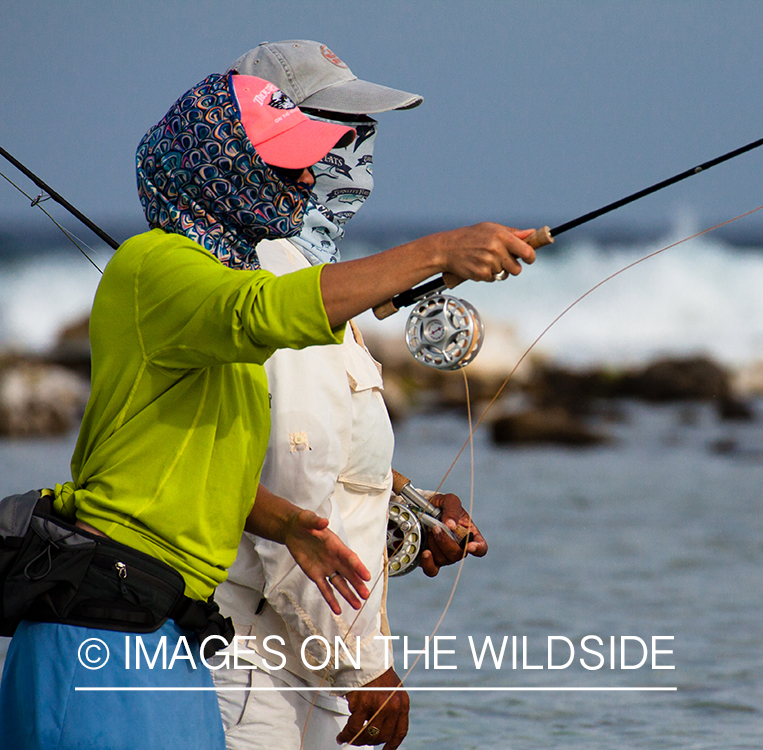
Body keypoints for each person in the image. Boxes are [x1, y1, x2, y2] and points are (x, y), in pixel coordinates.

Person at [0, 69, 535, 750]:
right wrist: (438, 250)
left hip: (168, 625)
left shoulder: (218, 287)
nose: (311, 181)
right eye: (288, 166)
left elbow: (215, 460)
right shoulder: (154, 265)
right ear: (225, 169)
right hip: (106, 620)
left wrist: (293, 524)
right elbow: (267, 312)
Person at [212, 41, 492, 750]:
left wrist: (411, 507)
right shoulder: (271, 276)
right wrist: (365, 668)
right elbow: (292, 487)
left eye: (364, 134)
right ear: (268, 138)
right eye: (334, 129)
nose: (356, 155)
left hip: (312, 651)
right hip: (260, 660)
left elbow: (331, 458)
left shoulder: (312, 281)